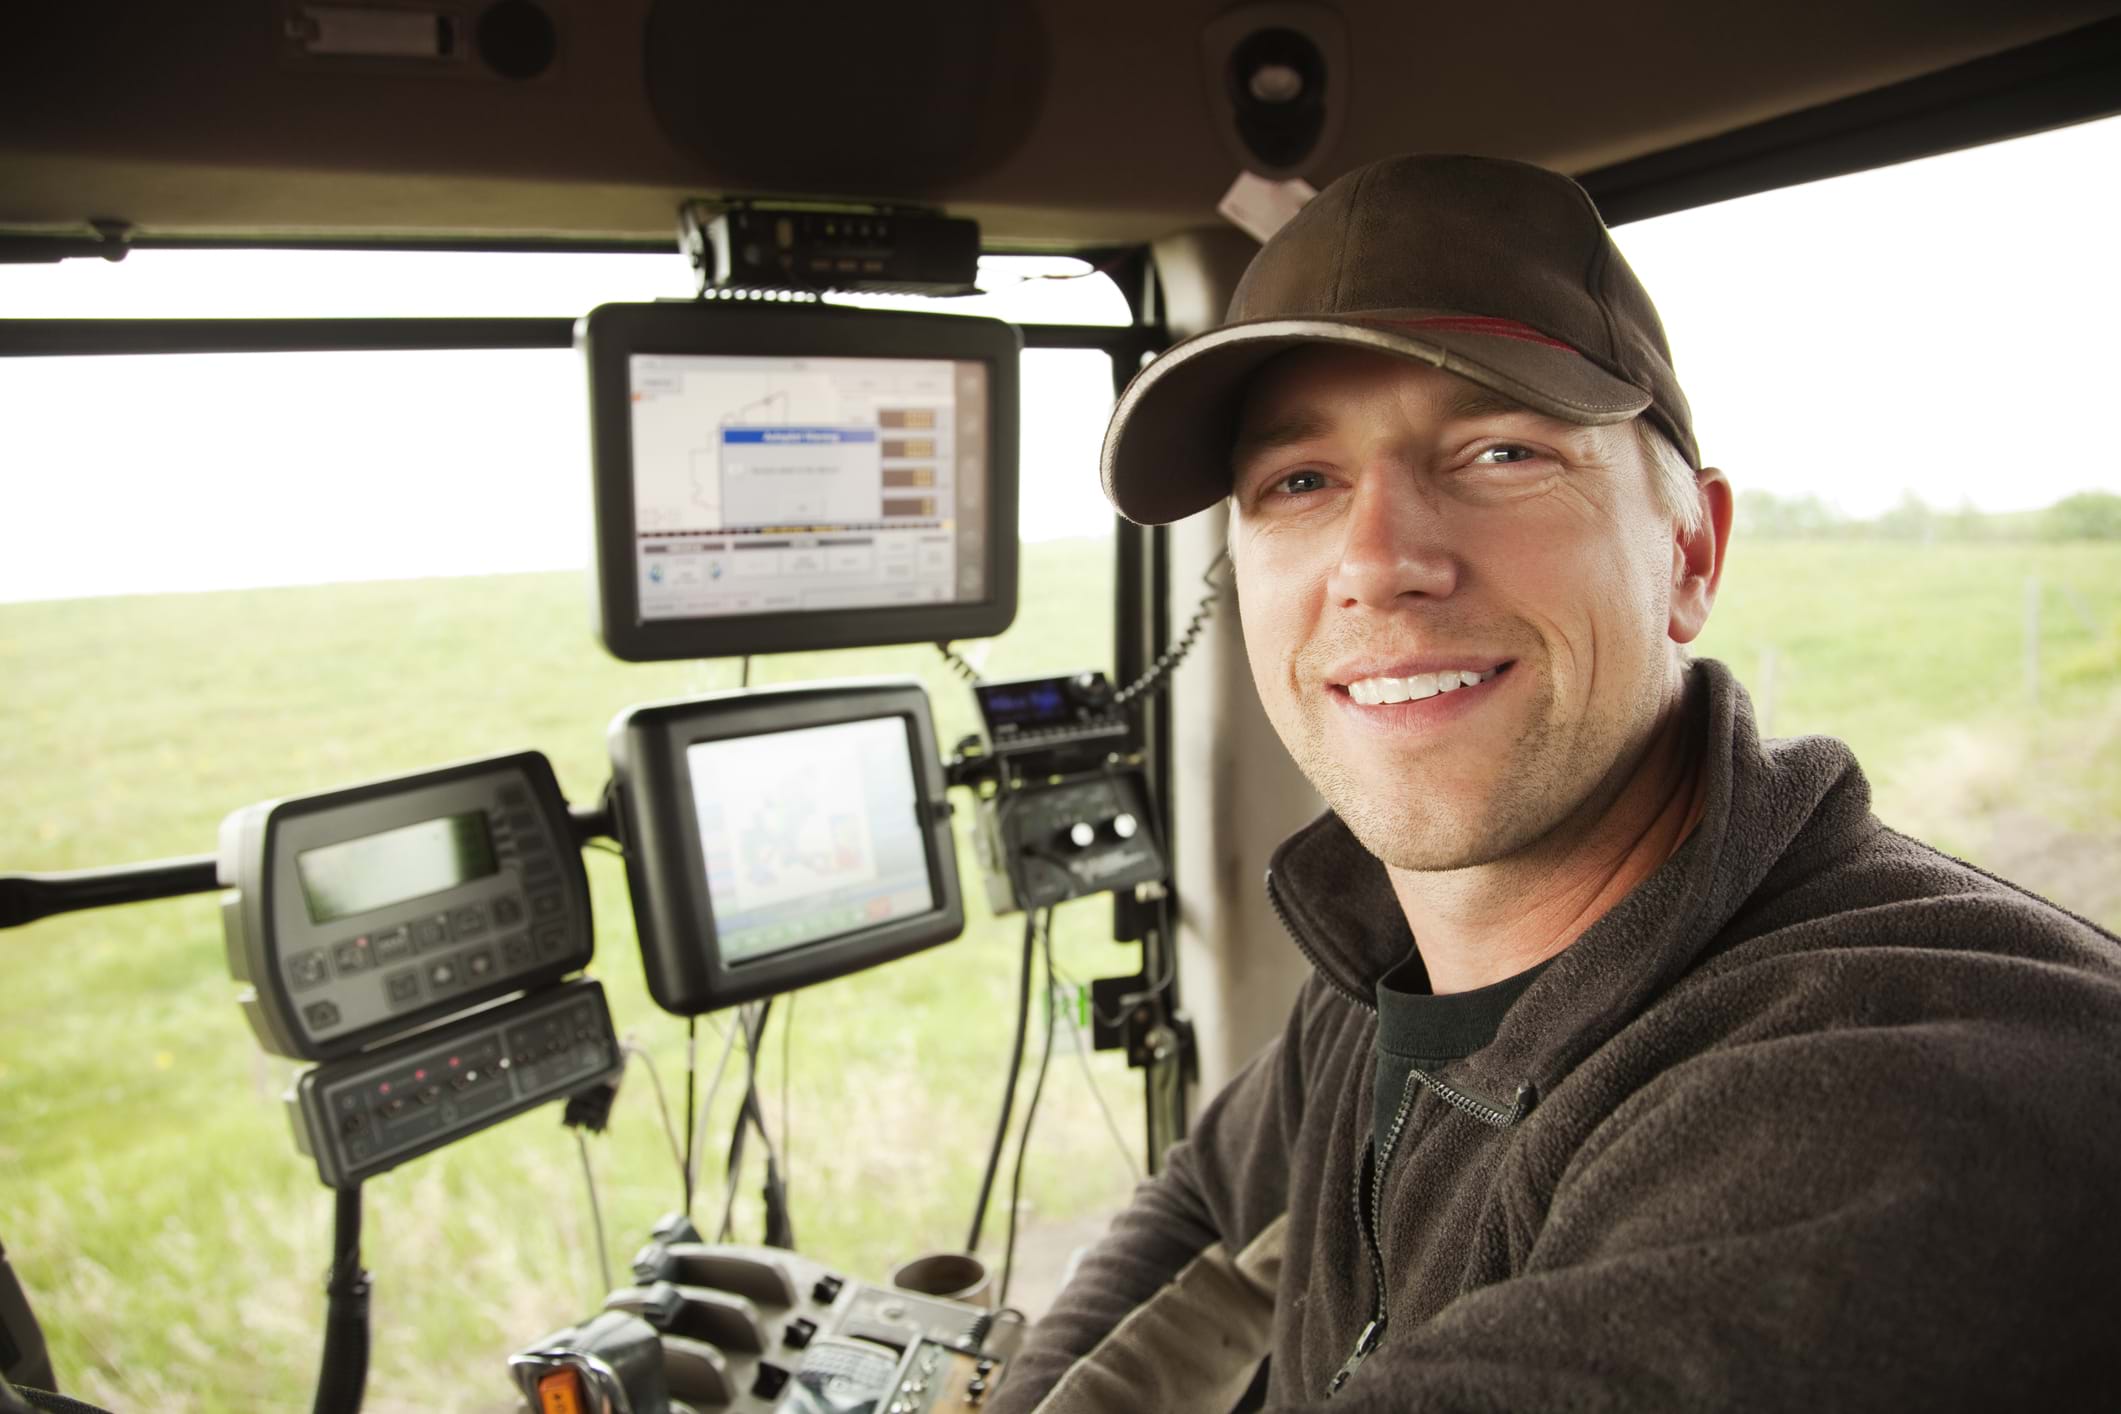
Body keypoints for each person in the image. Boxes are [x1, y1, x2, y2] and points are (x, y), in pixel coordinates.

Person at [987, 155, 2121, 1412]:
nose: (1378, 562)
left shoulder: (1888, 1097)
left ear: (1691, 551)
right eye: (1300, 482)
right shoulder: (1385, 963)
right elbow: (1201, 1206)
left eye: (1500, 452)